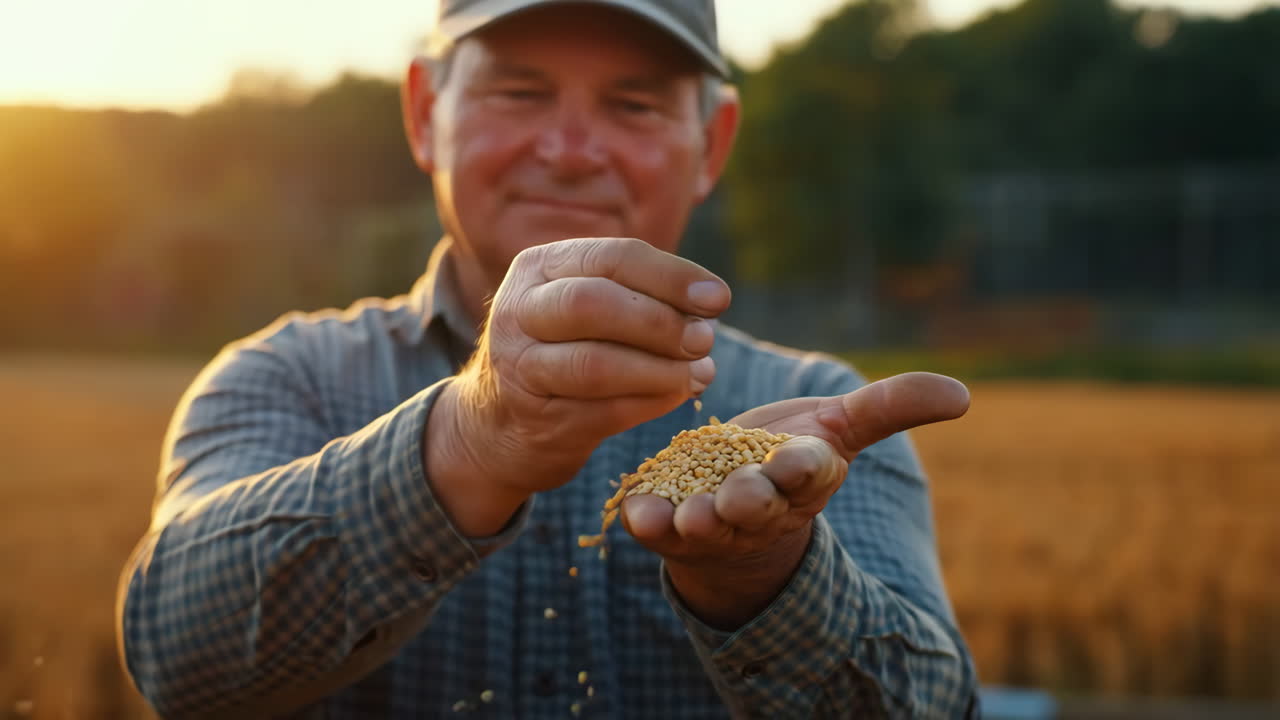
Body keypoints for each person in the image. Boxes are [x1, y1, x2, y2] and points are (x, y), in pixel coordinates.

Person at [116, 1, 980, 717]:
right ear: (425, 114)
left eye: (634, 106)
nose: (569, 151)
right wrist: (467, 439)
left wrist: (762, 575)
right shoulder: (287, 375)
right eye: (519, 94)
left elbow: (937, 705)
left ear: (712, 145)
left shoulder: (812, 413)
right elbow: (177, 666)